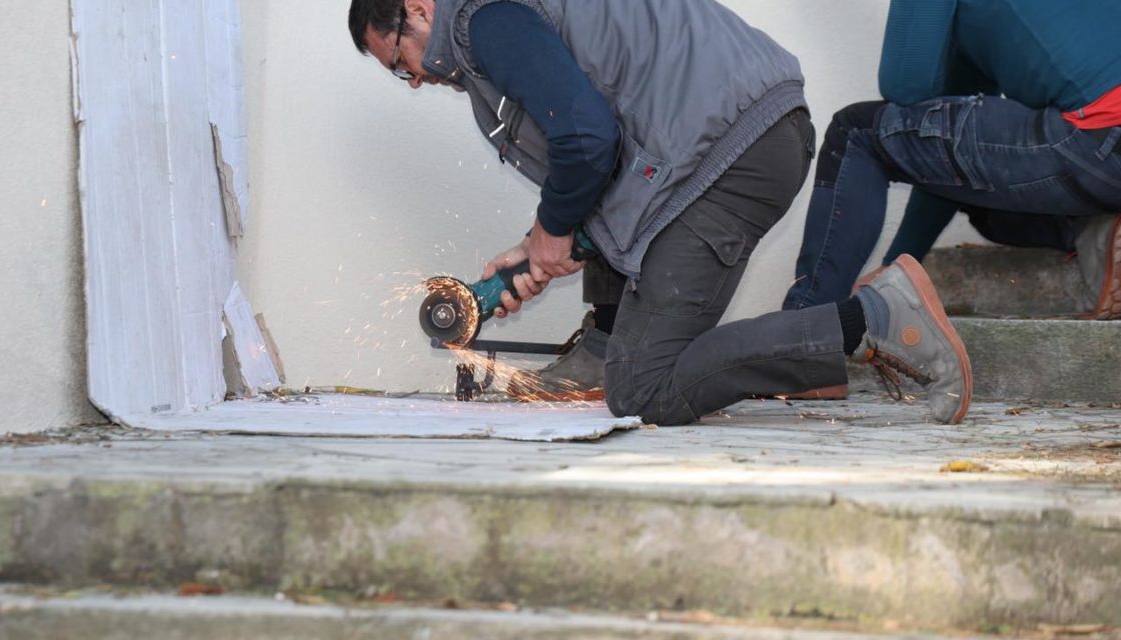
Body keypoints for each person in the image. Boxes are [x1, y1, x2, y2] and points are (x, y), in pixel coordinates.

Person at [349, 0, 973, 424]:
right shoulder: (496, 23)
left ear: (418, 7)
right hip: (727, 145)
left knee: (643, 388)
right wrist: (536, 244)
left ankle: (873, 317)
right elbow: (607, 147)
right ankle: (821, 349)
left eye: (399, 60)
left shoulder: (482, 21)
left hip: (731, 153)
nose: (414, 80)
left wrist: (553, 230)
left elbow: (587, 139)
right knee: (637, 371)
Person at [784, 0, 1121, 322]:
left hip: (1100, 134)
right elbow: (939, 155)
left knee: (856, 131)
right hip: (1105, 156)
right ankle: (1099, 233)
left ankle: (805, 341)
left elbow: (905, 88)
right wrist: (899, 265)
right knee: (984, 206)